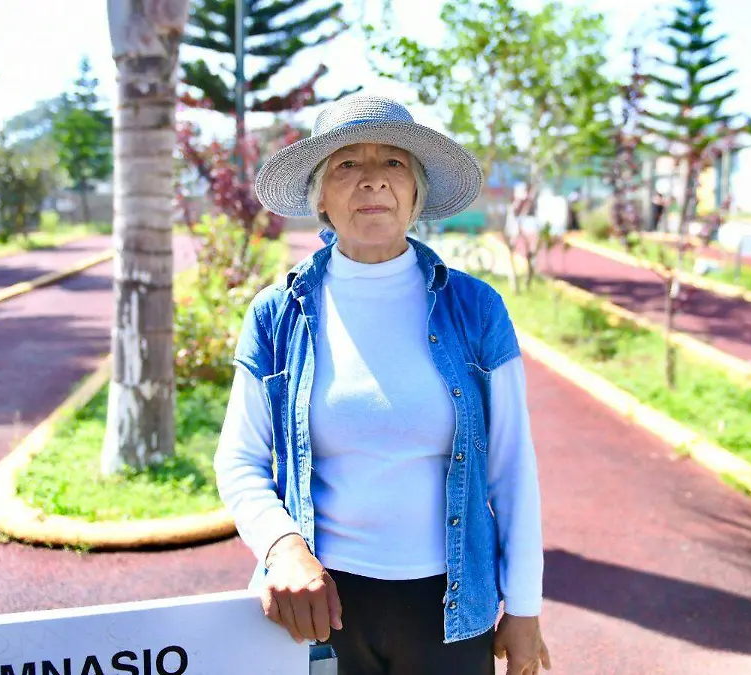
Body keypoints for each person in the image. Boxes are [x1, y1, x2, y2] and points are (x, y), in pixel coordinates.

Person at [214, 94, 549, 675]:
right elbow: (239, 459)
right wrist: (281, 547)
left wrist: (524, 608)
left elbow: (512, 469)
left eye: (393, 163)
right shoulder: (276, 315)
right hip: (319, 604)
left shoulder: (476, 309)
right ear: (319, 194)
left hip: (451, 608)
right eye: (347, 165)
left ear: (417, 191)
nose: (372, 181)